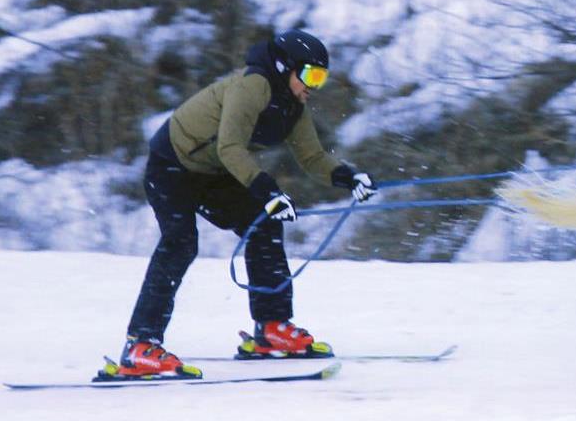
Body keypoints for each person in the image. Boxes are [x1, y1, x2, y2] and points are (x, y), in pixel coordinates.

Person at [106, 29, 378, 380]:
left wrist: (348, 177)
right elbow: (230, 147)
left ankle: (271, 328)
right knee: (180, 243)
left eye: (322, 78)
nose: (314, 86)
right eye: (310, 75)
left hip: (213, 173)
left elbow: (311, 157)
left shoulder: (293, 106)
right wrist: (267, 191)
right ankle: (140, 346)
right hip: (171, 165)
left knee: (265, 223)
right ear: (285, 67)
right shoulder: (253, 86)